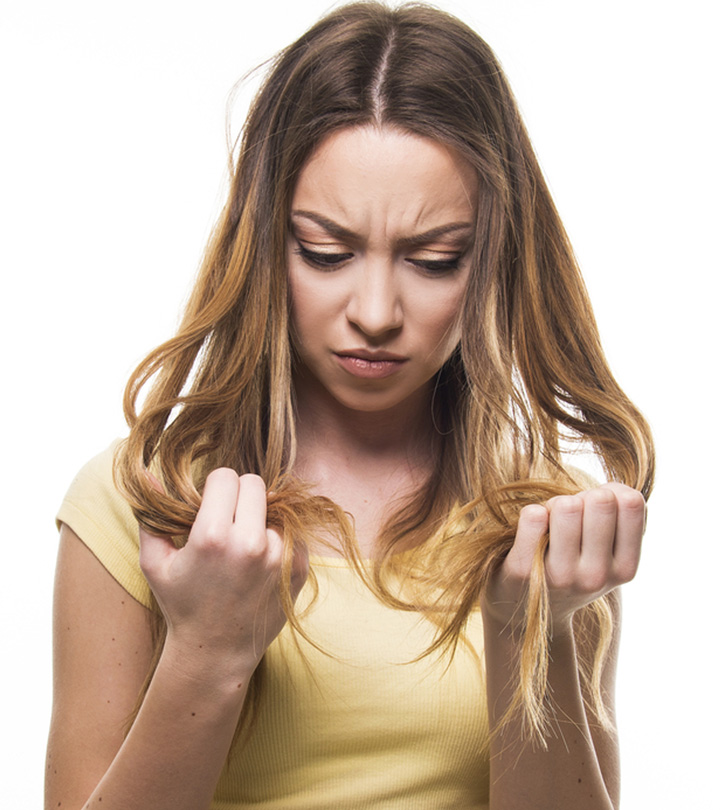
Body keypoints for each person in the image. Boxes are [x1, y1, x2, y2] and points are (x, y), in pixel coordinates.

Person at [46, 3, 654, 809]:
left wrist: (525, 627)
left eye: (435, 260)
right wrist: (208, 654)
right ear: (264, 243)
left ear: (494, 258)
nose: (375, 309)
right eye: (326, 252)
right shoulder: (147, 502)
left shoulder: (548, 524)